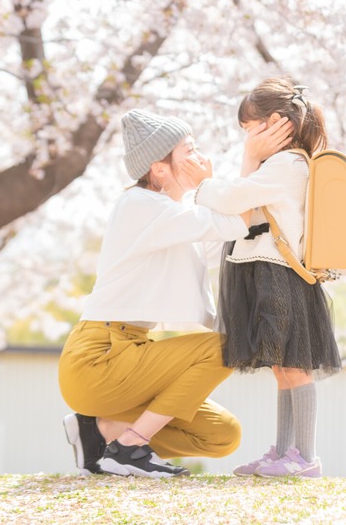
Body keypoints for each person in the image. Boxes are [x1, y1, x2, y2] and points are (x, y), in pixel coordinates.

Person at [57, 107, 292, 478]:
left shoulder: (170, 215)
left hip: (127, 354)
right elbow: (233, 220)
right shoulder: (141, 205)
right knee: (229, 346)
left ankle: (99, 430)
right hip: (98, 359)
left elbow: (228, 242)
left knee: (221, 436)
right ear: (160, 169)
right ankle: (131, 446)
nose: (202, 160)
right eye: (190, 151)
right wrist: (250, 160)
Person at [184, 76, 342, 479]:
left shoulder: (288, 165)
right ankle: (285, 452)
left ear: (273, 122)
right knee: (282, 367)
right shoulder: (277, 167)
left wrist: (212, 178)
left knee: (294, 366)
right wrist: (250, 160)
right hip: (266, 272)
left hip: (279, 275)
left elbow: (233, 198)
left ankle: (305, 457)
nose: (247, 136)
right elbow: (240, 209)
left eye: (249, 128)